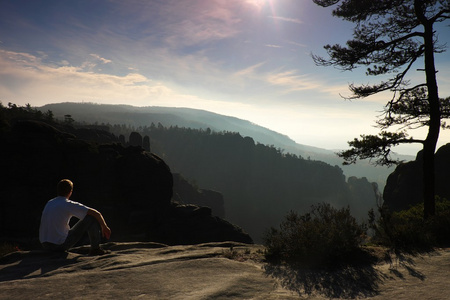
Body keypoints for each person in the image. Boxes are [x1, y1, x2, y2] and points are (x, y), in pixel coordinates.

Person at [39, 179, 111, 255]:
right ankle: (95, 249)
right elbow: (96, 213)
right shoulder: (67, 204)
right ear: (70, 192)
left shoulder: (50, 203)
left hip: (45, 245)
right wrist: (104, 227)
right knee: (91, 218)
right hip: (59, 245)